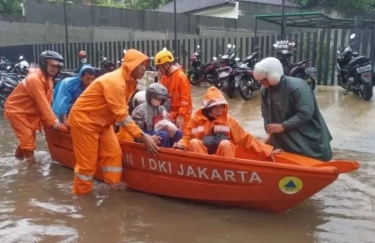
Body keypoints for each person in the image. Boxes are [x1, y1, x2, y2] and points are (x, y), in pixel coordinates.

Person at [68, 49, 159, 195]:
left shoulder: (129, 82)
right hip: (84, 121)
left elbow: (122, 113)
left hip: (104, 123)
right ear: (131, 65)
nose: (144, 68)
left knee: (114, 154)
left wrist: (137, 134)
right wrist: (142, 137)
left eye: (145, 65)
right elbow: (122, 116)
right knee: (86, 167)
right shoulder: (116, 82)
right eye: (141, 65)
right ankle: (81, 200)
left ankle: (112, 189)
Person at [253, 57, 333, 162]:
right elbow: (266, 114)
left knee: (310, 159)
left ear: (272, 76)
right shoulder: (265, 91)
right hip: (282, 135)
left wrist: (283, 126)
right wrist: (270, 134)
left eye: (263, 80)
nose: (261, 83)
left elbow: (305, 113)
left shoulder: (297, 87)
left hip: (305, 133)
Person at [174, 86, 283, 160]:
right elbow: (187, 136)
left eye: (221, 107)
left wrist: (268, 151)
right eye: (215, 107)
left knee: (225, 144)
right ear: (208, 108)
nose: (219, 111)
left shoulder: (229, 121)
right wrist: (181, 145)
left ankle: (225, 172)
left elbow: (245, 139)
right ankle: (202, 172)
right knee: (194, 142)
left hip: (224, 159)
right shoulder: (196, 119)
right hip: (203, 159)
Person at [4, 51, 64, 163]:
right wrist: (52, 121)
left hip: (30, 111)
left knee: (28, 138)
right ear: (44, 64)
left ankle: (18, 159)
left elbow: (47, 101)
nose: (55, 68)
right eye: (52, 65)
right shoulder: (34, 79)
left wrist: (51, 119)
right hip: (17, 111)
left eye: (58, 66)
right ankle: (31, 169)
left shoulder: (49, 79)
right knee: (27, 139)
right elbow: (42, 102)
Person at [132, 83, 183, 148]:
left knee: (179, 133)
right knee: (163, 135)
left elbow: (168, 124)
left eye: (160, 99)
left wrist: (170, 121)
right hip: (145, 134)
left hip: (159, 131)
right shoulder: (140, 110)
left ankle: (174, 150)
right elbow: (137, 131)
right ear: (149, 96)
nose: (158, 100)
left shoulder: (162, 108)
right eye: (156, 98)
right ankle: (164, 154)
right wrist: (146, 137)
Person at [155, 48, 192, 131]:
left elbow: (185, 99)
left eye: (159, 67)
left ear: (166, 65)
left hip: (182, 115)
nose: (159, 70)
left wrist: (181, 116)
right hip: (171, 113)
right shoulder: (164, 78)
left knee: (182, 139)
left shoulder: (181, 77)